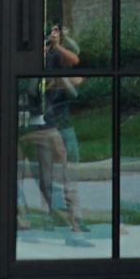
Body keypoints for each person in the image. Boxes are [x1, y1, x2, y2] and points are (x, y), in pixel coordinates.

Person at [22, 25, 92, 244]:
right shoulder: (35, 58)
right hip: (42, 127)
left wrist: (57, 47)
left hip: (61, 124)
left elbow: (76, 67)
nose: (49, 37)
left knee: (69, 174)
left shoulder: (59, 55)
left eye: (54, 32)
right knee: (45, 176)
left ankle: (74, 219)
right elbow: (31, 89)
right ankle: (49, 216)